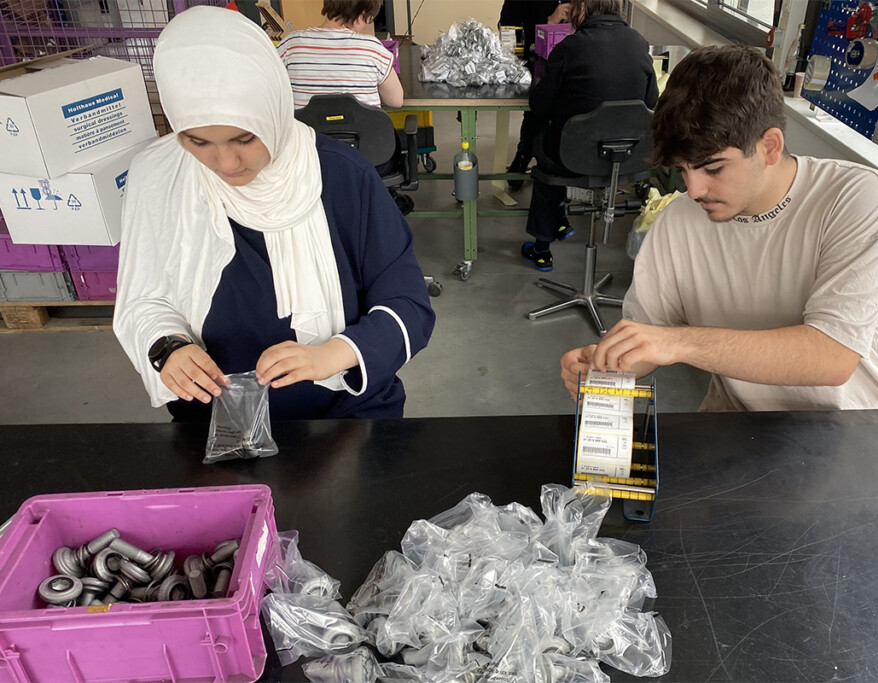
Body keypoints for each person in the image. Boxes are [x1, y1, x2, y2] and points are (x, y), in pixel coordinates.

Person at [114, 6, 435, 421]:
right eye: (198, 142)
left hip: (344, 412)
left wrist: (334, 355)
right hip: (216, 418)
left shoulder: (340, 175)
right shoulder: (159, 175)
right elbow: (143, 297)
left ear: (273, 108)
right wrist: (167, 347)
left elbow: (408, 303)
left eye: (245, 138)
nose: (227, 163)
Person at [560, 45, 878, 411]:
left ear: (770, 147)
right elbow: (650, 342)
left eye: (714, 168)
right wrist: (608, 363)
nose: (694, 190)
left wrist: (677, 343)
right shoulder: (678, 222)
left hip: (863, 425)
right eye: (683, 170)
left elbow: (831, 357)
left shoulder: (853, 195)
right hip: (740, 425)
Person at [520, 0, 658, 271]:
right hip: (627, 157)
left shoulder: (569, 47)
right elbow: (650, 101)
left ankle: (541, 248)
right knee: (564, 140)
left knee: (545, 146)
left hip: (574, 158)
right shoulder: (639, 43)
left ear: (583, 10)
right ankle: (560, 220)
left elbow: (540, 106)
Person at [277, 0, 414, 215]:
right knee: (389, 138)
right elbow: (396, 100)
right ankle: (385, 197)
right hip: (368, 160)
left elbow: (275, 95)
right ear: (361, 15)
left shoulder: (290, 45)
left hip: (308, 158)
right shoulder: (373, 49)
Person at [498, 0, 570, 192]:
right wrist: (548, 23)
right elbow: (509, 34)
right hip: (535, 63)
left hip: (574, 62)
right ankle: (525, 153)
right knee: (539, 106)